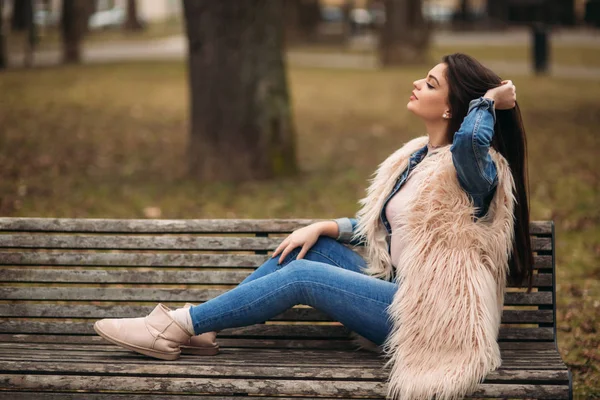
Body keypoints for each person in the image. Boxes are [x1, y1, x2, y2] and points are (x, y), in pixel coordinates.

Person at [93, 53, 533, 400]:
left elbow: (471, 140)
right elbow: (390, 226)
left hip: (428, 317)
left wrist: (490, 102)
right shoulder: (418, 158)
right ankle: (204, 328)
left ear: (453, 108)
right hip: (399, 295)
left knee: (304, 277)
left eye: (431, 83)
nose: (417, 84)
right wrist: (327, 226)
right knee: (306, 251)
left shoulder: (475, 170)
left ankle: (175, 325)